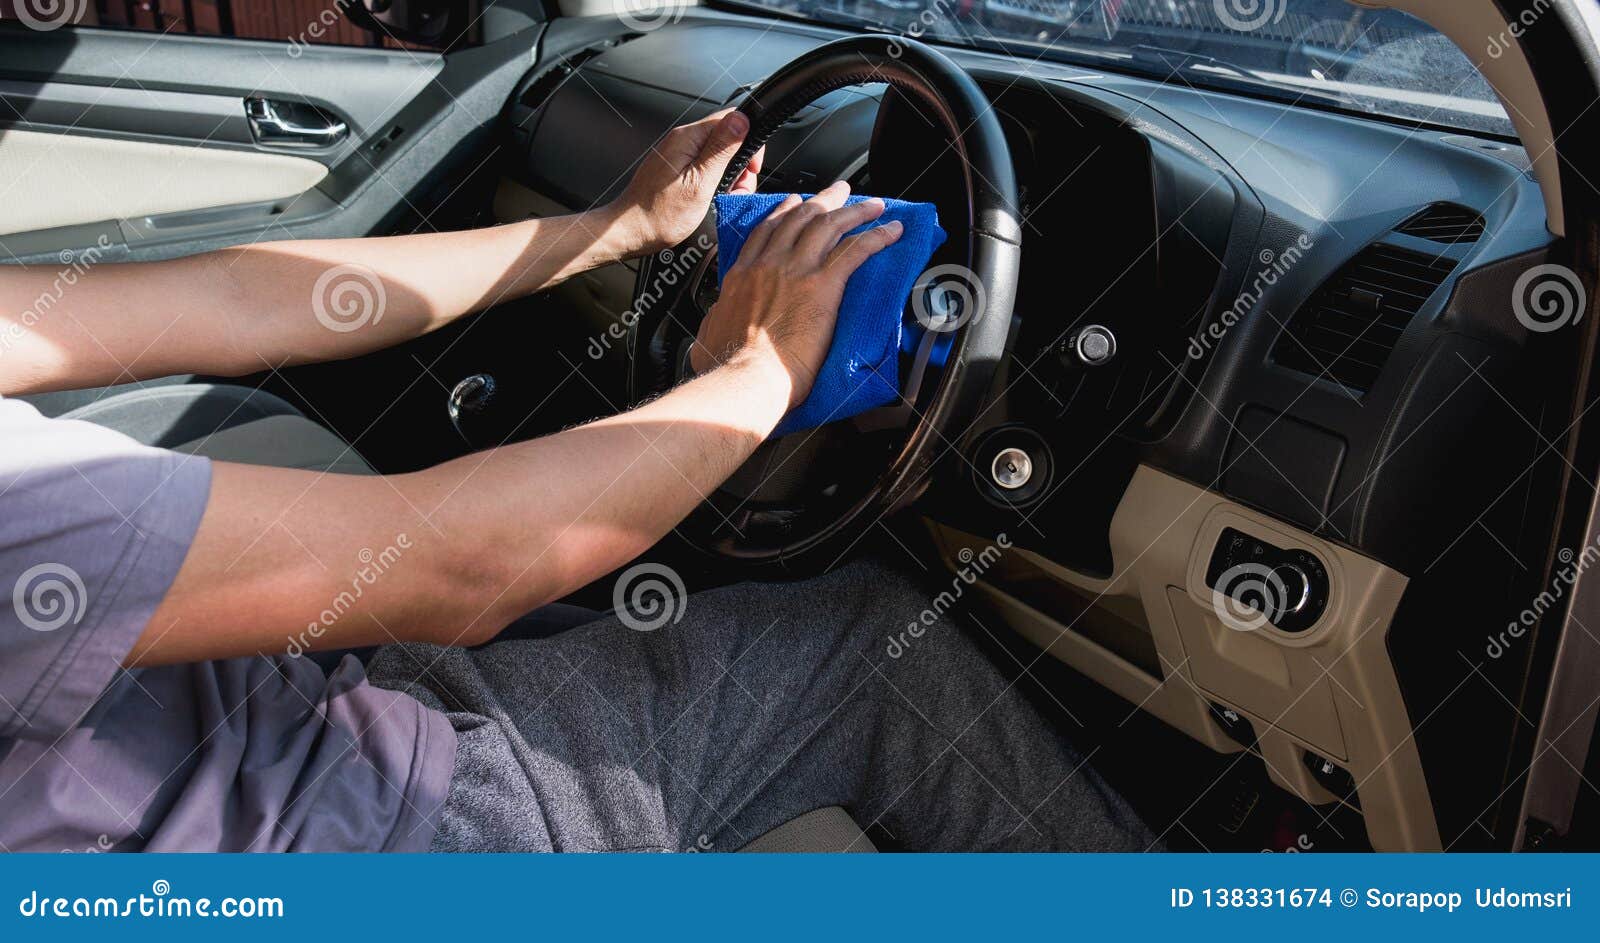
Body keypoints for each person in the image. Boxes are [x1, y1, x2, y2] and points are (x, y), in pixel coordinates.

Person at [0, 110, 1152, 852]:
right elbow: (464, 569)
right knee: (867, 654)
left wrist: (612, 229)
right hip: (362, 838)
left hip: (253, 723)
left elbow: (244, 297)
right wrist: (763, 367)